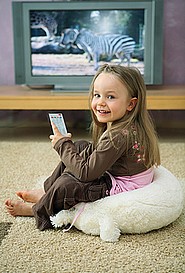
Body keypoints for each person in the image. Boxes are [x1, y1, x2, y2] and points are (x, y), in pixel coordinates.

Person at [5, 64, 160, 231]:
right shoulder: (126, 125)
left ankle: (37, 210)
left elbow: (86, 174)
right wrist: (70, 147)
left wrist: (62, 144)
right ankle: (48, 192)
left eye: (110, 97)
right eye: (97, 95)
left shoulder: (119, 135)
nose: (101, 102)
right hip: (122, 173)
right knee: (79, 147)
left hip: (121, 184)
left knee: (68, 183)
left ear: (131, 104)